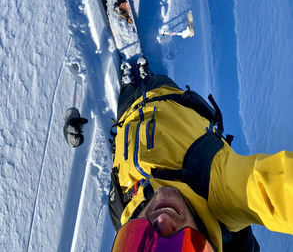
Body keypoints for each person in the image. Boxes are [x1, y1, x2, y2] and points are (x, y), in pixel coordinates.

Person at [64, 57, 293, 252]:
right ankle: (146, 75)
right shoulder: (220, 189)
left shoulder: (121, 213)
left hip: (129, 113)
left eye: (141, 243)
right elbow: (277, 190)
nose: (161, 221)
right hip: (169, 96)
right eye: (184, 247)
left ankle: (128, 82)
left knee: (126, 91)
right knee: (156, 78)